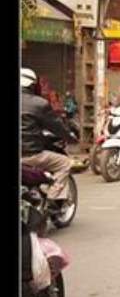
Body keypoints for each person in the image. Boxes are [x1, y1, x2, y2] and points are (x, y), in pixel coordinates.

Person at [21, 68, 75, 208]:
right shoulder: (38, 103)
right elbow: (57, 127)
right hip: (30, 154)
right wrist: (70, 137)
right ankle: (52, 198)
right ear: (33, 85)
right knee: (65, 162)